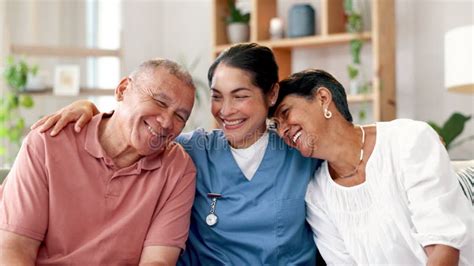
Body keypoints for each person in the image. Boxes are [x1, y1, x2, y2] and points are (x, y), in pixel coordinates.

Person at [29, 44, 323, 265]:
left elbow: (350, 149)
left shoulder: (302, 152)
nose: (226, 110)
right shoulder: (190, 151)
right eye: (217, 97)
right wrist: (90, 110)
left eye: (241, 96)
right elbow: (135, 134)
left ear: (271, 95)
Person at [0, 59, 197, 265]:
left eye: (180, 116)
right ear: (122, 90)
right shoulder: (48, 142)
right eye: (160, 102)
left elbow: (158, 262)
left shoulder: (178, 168)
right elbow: (14, 249)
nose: (166, 122)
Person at [269, 68, 474, 265]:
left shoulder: (408, 140)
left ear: (323, 98)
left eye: (285, 113)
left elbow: (444, 248)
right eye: (276, 125)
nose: (282, 130)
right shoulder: (317, 196)